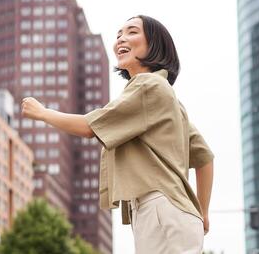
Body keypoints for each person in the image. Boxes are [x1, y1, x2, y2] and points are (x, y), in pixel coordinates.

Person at [21, 15, 214, 253]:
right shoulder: (172, 102)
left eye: (132, 32)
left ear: (155, 44)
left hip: (159, 207)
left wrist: (42, 112)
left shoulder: (148, 86)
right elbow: (205, 157)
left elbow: (90, 127)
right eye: (119, 35)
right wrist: (201, 212)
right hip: (172, 211)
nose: (122, 39)